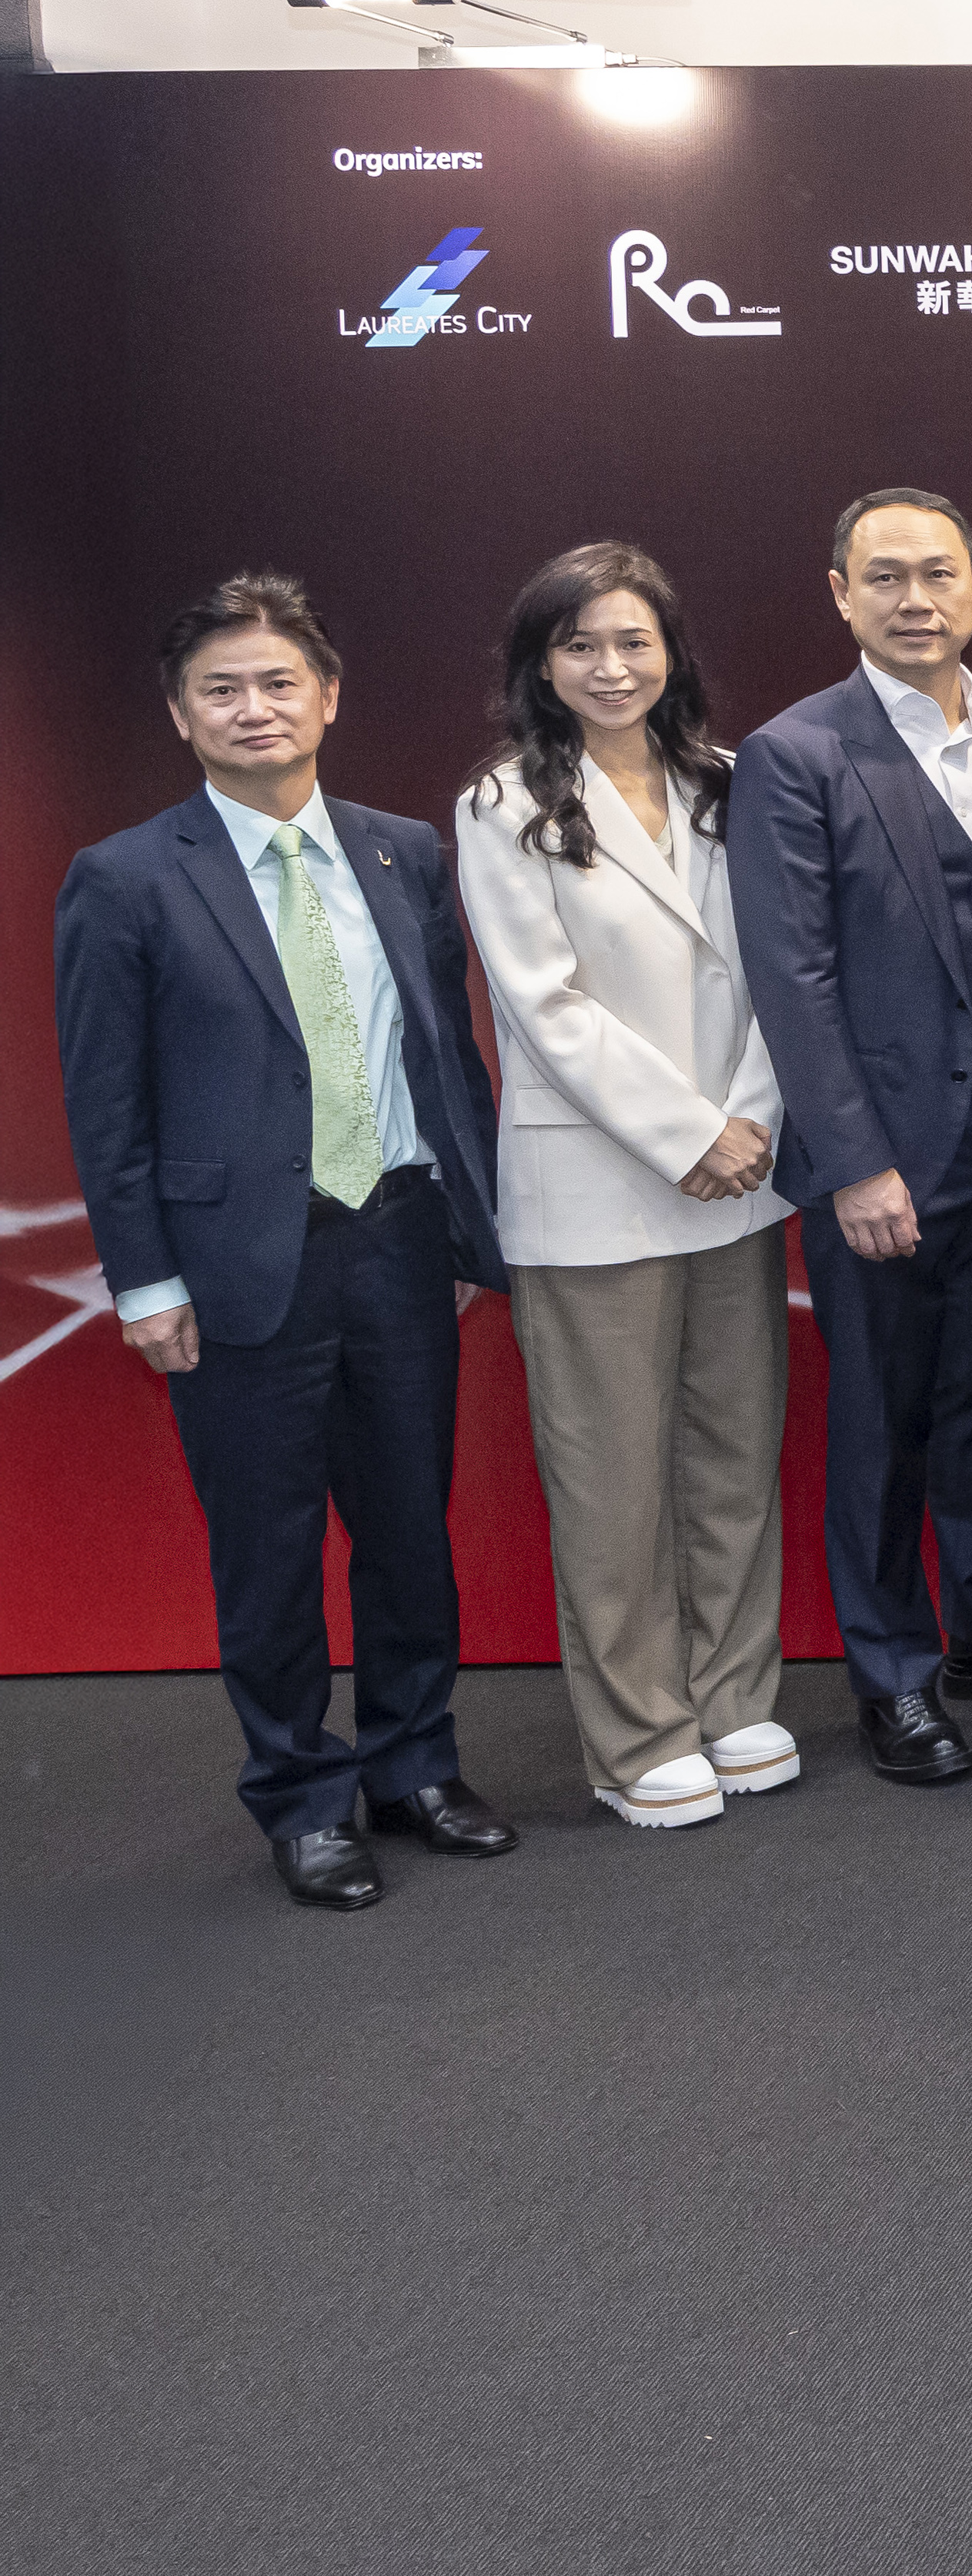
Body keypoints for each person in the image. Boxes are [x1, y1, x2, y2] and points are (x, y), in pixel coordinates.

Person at [58, 575, 513, 1906]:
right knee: (266, 1548)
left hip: (400, 1235)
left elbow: (449, 1059)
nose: (254, 708)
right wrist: (143, 1279)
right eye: (222, 689)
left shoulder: (402, 851)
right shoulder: (127, 878)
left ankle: (415, 1764)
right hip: (235, 1266)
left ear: (327, 696)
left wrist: (469, 1232)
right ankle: (303, 1797)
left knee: (408, 1528)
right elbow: (108, 1102)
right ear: (180, 714)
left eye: (277, 683)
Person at [734, 488, 972, 1785]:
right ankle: (892, 1672)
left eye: (937, 573)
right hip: (886, 1163)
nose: (915, 598)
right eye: (884, 576)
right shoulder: (794, 754)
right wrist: (854, 1163)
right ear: (839, 594)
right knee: (884, 1425)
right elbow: (793, 976)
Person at [451, 545, 800, 1830]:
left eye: (634, 643)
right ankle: (639, 1729)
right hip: (598, 1183)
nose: (612, 667)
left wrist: (749, 1122)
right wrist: (690, 1131)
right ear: (542, 665)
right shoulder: (502, 803)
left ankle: (736, 1696)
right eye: (582, 646)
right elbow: (543, 1005)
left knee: (731, 1453)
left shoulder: (727, 780)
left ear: (672, 654)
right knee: (610, 1478)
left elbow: (781, 963)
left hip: (741, 1175)